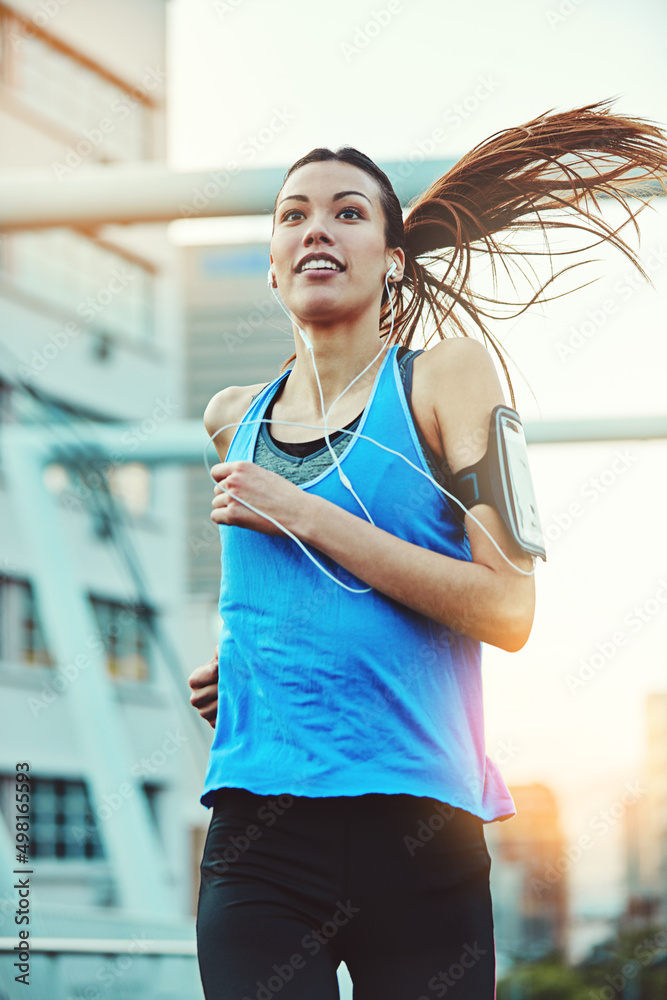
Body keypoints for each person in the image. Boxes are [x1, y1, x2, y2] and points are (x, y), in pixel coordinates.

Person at [188, 100, 667, 1000]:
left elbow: (507, 611)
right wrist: (244, 672)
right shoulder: (230, 420)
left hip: (421, 835)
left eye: (347, 211)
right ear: (272, 264)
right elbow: (299, 597)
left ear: (391, 259)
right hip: (261, 838)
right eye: (292, 214)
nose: (315, 228)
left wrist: (300, 512)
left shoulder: (444, 376)